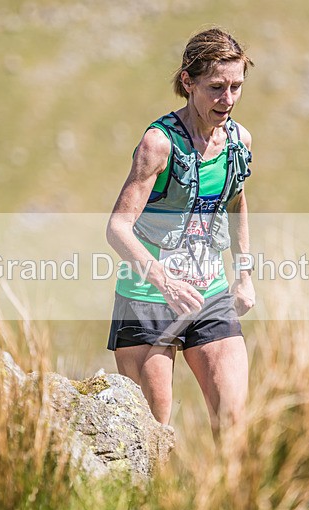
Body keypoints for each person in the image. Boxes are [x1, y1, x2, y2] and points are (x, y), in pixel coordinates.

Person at [106, 27, 255, 442]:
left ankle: (230, 507)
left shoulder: (239, 143)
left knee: (233, 423)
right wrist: (165, 281)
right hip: (147, 299)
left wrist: (244, 275)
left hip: (211, 294)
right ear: (188, 82)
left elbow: (236, 203)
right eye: (216, 87)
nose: (227, 100)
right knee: (152, 436)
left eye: (236, 87)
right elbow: (117, 228)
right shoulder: (159, 144)